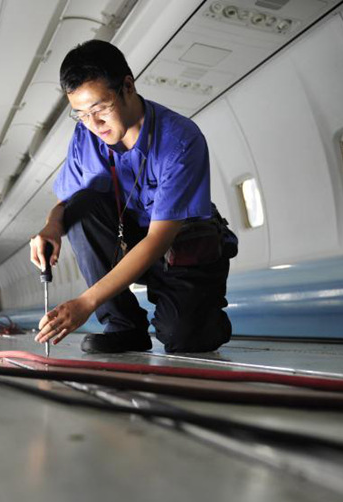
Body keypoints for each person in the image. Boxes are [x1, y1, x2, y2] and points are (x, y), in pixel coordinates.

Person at [29, 40, 237, 354]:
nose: (93, 124)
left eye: (99, 110)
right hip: (133, 235)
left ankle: (205, 311)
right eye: (81, 115)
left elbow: (157, 241)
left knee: (184, 338)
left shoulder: (180, 141)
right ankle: (124, 325)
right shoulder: (86, 136)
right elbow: (67, 202)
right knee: (81, 206)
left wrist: (85, 302)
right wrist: (51, 228)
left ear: (127, 86)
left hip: (181, 243)